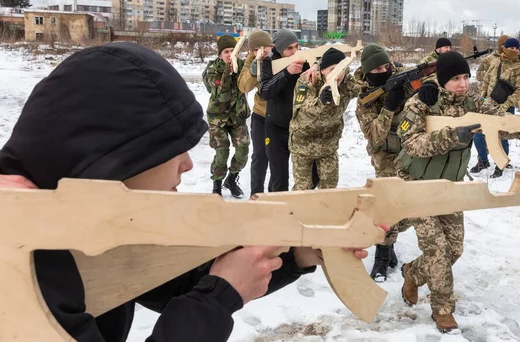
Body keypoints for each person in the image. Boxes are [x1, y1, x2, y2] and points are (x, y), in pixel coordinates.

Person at [0, 42, 373, 342]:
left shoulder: (79, 219)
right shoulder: (14, 262)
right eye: (170, 149)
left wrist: (297, 253)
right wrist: (215, 300)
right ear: (117, 157)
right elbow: (203, 291)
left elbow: (167, 281)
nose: (187, 165)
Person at [396, 51, 520, 333]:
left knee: (454, 250)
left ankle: (412, 272)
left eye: (465, 77)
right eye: (455, 79)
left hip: (451, 186)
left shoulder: (473, 103)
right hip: (417, 185)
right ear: (441, 80)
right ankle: (443, 310)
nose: (462, 84)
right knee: (437, 252)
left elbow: (498, 124)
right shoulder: (421, 103)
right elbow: (412, 144)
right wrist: (453, 136)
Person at [354, 44, 411, 282]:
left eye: (386, 65)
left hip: (411, 152)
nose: (385, 70)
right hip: (385, 156)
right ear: (368, 72)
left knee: (408, 210)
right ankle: (382, 255)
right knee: (388, 209)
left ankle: (391, 241)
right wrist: (388, 107)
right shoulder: (364, 100)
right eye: (378, 68)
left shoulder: (404, 77)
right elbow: (375, 135)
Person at [288, 48, 361, 190]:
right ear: (322, 71)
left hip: (328, 145)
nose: (338, 75)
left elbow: (365, 86)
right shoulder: (307, 81)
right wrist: (320, 101)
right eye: (333, 69)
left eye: (342, 69)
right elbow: (302, 113)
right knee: (303, 189)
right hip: (303, 144)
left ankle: (325, 213)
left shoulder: (346, 82)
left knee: (329, 188)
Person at [259, 29, 319, 192]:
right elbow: (264, 91)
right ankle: (277, 213)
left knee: (314, 176)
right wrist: (286, 73)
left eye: (296, 47)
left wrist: (315, 65)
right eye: (289, 49)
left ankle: (295, 203)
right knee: (279, 179)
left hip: (301, 128)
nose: (294, 52)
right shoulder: (268, 63)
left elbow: (325, 62)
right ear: (279, 49)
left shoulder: (304, 60)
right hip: (276, 129)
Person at [472, 37, 520, 178]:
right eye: (511, 48)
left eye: (516, 48)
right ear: (503, 48)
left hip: (505, 107)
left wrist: (506, 104)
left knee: (503, 137)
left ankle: (500, 165)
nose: (514, 50)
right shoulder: (495, 62)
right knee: (478, 134)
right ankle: (483, 161)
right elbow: (486, 80)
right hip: (488, 105)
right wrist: (483, 96)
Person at [204, 34, 249, 198]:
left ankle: (231, 179)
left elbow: (252, 78)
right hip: (217, 119)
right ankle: (216, 184)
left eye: (233, 51)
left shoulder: (242, 66)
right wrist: (227, 73)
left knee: (243, 150)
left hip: (237, 117)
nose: (230, 55)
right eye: (226, 52)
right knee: (222, 153)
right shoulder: (212, 70)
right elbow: (221, 95)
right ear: (220, 54)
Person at [237, 30, 274, 195]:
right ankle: (256, 194)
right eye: (261, 48)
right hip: (260, 115)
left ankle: (275, 194)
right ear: (252, 51)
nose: (265, 50)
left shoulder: (278, 58)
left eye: (268, 47)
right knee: (260, 156)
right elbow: (243, 86)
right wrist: (253, 71)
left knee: (276, 158)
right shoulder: (251, 61)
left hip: (279, 116)